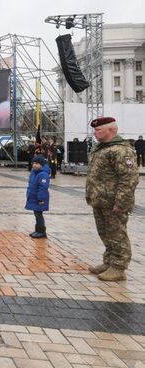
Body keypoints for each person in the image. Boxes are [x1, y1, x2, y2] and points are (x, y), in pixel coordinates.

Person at [86, 117, 140, 281]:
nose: (95, 133)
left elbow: (129, 178)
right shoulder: (101, 148)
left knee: (117, 234)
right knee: (105, 233)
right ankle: (109, 261)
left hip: (114, 202)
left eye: (98, 130)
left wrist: (121, 202)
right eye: (95, 130)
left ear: (111, 130)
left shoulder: (121, 150)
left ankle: (118, 267)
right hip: (101, 200)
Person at [25, 155, 50, 238]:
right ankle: (37, 230)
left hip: (39, 198)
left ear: (41, 164)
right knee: (36, 214)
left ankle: (42, 231)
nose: (34, 165)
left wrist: (41, 198)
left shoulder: (43, 174)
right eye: (33, 163)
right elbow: (31, 185)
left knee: (39, 214)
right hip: (33, 197)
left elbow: (43, 188)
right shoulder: (34, 173)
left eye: (37, 163)